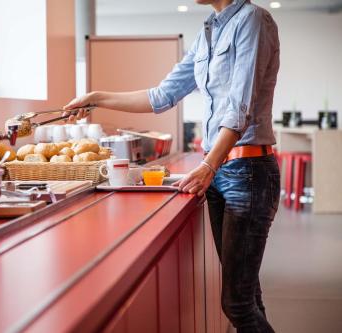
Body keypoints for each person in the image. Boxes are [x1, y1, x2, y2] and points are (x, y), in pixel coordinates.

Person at [64, 0, 280, 331]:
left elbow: (240, 109)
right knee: (248, 298)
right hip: (222, 171)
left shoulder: (253, 21)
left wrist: (208, 165)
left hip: (247, 172)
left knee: (236, 304)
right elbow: (162, 96)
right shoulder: (209, 29)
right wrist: (95, 97)